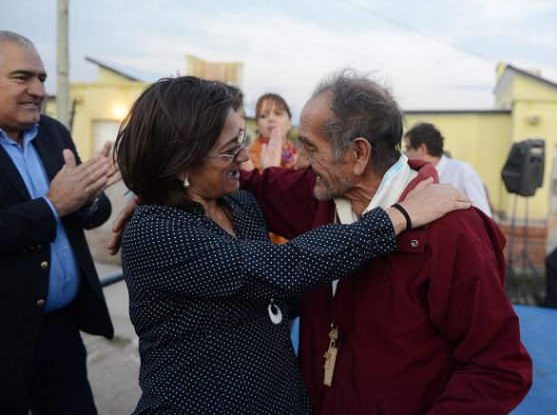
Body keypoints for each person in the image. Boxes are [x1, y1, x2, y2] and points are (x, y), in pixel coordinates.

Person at [112, 75, 469, 414]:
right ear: (180, 163)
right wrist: (398, 217)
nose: (244, 157)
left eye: (242, 140)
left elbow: (283, 298)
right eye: (228, 151)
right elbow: (283, 268)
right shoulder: (156, 232)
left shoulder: (241, 205)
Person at [239, 70, 532, 414]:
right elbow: (245, 185)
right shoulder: (315, 194)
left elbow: (498, 367)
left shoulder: (452, 232)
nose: (301, 159)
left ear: (358, 153)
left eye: (311, 147)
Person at [0, 30, 118, 413]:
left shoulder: (53, 132)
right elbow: (56, 206)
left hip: (61, 331)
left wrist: (87, 200)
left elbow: (90, 210)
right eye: (22, 77)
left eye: (42, 78)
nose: (38, 89)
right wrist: (52, 206)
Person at [404, 121, 493, 217]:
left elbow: (483, 215)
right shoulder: (412, 174)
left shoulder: (462, 171)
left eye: (408, 148)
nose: (405, 153)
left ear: (422, 149)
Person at [246, 92, 299, 172]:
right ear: (257, 125)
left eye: (278, 113)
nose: (271, 119)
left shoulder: (298, 155)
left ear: (290, 122)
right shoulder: (247, 159)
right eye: (263, 115)